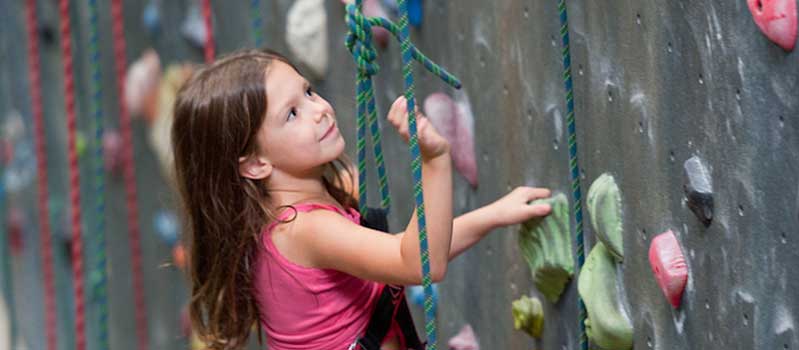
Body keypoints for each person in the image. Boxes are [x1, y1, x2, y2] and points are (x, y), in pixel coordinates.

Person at [172, 49, 553, 350]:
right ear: (255, 163)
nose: (319, 110)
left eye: (308, 92)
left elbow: (405, 250)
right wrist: (435, 160)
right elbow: (422, 262)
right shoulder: (302, 228)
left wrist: (494, 214)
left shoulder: (289, 215)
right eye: (292, 114)